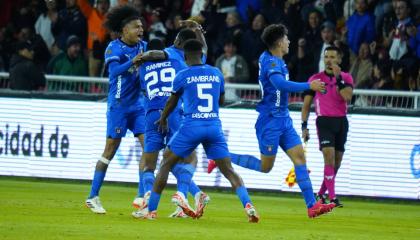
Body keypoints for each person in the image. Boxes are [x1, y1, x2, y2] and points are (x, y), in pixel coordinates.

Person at [208, 24, 335, 218]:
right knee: (266, 167)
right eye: (286, 38)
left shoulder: (277, 59)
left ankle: (312, 206)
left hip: (283, 118)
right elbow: (279, 84)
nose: (289, 41)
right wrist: (309, 86)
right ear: (278, 42)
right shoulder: (271, 63)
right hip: (269, 121)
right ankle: (220, 157)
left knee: (300, 157)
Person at [137, 39, 259, 222]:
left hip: (191, 126)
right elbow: (221, 101)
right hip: (214, 127)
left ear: (185, 56)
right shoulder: (216, 73)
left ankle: (152, 210)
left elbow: (171, 102)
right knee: (229, 170)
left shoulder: (182, 75)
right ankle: (249, 206)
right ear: (202, 54)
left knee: (165, 163)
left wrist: (163, 118)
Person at [133, 27, 210, 219]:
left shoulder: (143, 66)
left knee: (151, 165)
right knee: (184, 159)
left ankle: (149, 203)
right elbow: (202, 56)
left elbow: (144, 87)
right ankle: (190, 195)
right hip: (173, 113)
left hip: (151, 114)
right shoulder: (179, 61)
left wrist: (141, 58)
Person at [85, 5, 147, 214]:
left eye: (141, 27)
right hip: (118, 107)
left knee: (148, 148)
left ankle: (141, 199)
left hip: (138, 107)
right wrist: (133, 61)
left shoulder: (144, 46)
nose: (140, 30)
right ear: (124, 30)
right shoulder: (114, 48)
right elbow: (113, 73)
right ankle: (93, 196)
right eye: (136, 27)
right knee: (110, 150)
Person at [301, 46, 354, 208]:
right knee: (329, 159)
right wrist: (304, 126)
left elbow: (347, 98)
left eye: (332, 57)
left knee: (336, 163)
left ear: (339, 59)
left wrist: (338, 78)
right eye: (326, 57)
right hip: (324, 122)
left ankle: (321, 194)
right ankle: (332, 198)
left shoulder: (346, 77)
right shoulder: (316, 79)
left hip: (341, 122)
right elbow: (306, 105)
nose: (329, 60)